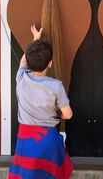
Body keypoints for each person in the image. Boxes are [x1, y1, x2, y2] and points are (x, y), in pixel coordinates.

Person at [8, 25, 73, 179]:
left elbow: (24, 59)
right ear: (50, 63)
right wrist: (59, 114)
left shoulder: (21, 77)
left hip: (25, 138)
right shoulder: (56, 85)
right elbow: (68, 115)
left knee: (27, 174)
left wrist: (35, 39)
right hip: (48, 139)